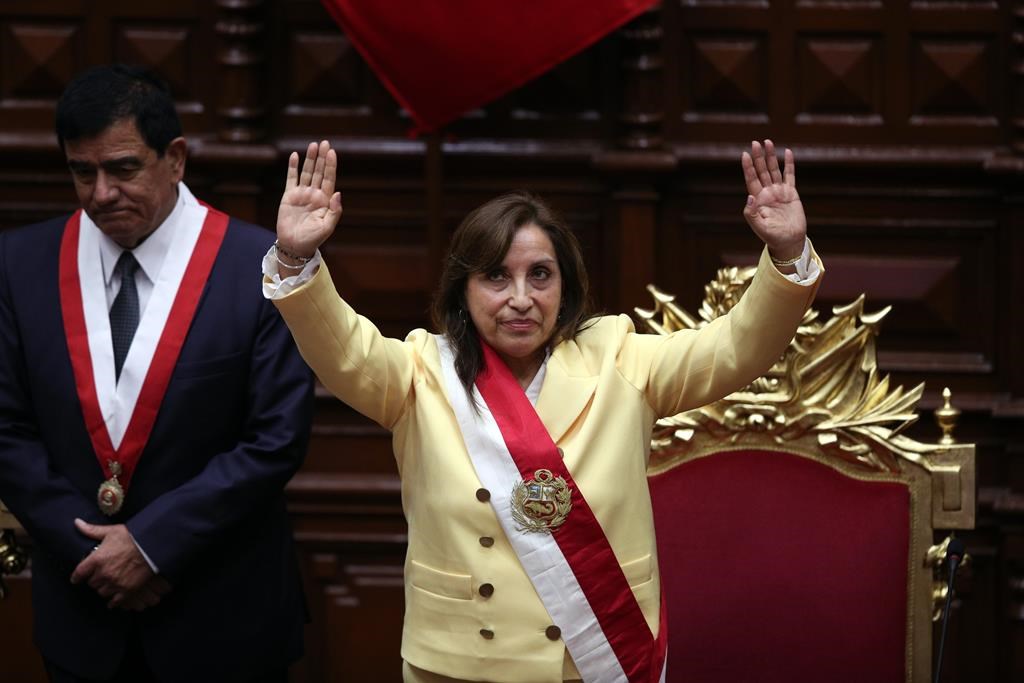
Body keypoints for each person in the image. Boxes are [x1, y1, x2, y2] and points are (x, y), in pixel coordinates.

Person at [264, 139, 822, 683]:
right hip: (462, 664)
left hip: (594, 655)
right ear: (463, 290)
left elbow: (736, 348)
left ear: (566, 284)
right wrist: (295, 257)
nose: (521, 298)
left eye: (540, 274)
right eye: (496, 276)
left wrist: (786, 253)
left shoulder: (620, 356)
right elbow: (341, 349)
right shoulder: (420, 372)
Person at [0, 64, 315, 682]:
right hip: (83, 617)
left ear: (175, 158)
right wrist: (97, 553)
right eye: (80, 171)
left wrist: (149, 546)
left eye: (122, 168)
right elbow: (6, 430)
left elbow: (275, 438)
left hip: (223, 615)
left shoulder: (262, 264)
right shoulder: (20, 263)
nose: (100, 194)